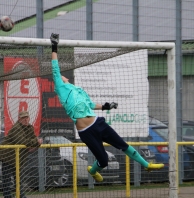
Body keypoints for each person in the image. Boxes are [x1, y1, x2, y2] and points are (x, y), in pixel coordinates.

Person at [50, 33, 164, 182]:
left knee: (123, 145)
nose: (64, 76)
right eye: (61, 76)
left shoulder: (79, 91)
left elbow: (91, 105)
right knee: (103, 160)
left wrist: (106, 106)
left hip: (98, 123)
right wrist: (54, 46)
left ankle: (146, 164)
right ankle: (93, 170)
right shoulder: (61, 87)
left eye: (64, 76)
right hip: (86, 131)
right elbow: (55, 68)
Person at [0, 111, 43, 198]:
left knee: (19, 178)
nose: (25, 120)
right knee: (7, 178)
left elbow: (33, 140)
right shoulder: (16, 128)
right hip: (7, 156)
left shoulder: (30, 127)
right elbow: (22, 141)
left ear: (29, 118)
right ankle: (7, 197)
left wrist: (36, 143)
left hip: (18, 157)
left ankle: (21, 196)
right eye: (23, 118)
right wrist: (36, 142)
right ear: (19, 119)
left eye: (26, 118)